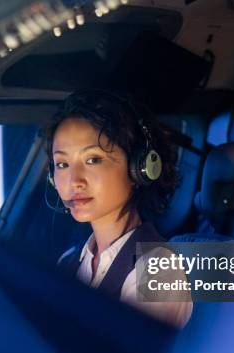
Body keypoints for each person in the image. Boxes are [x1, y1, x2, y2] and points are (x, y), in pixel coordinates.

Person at [44, 89, 192, 328]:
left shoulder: (158, 272)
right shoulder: (69, 260)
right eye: (62, 164)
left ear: (138, 169)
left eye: (93, 160)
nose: (73, 181)